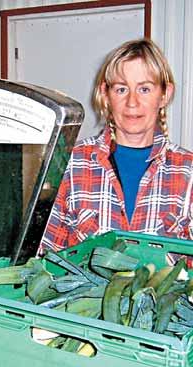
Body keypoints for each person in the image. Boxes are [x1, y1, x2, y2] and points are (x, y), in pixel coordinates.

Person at [40, 38, 193, 254]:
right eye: (121, 89)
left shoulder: (188, 172)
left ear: (164, 95)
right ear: (105, 94)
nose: (132, 102)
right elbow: (45, 258)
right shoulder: (71, 165)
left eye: (145, 89)